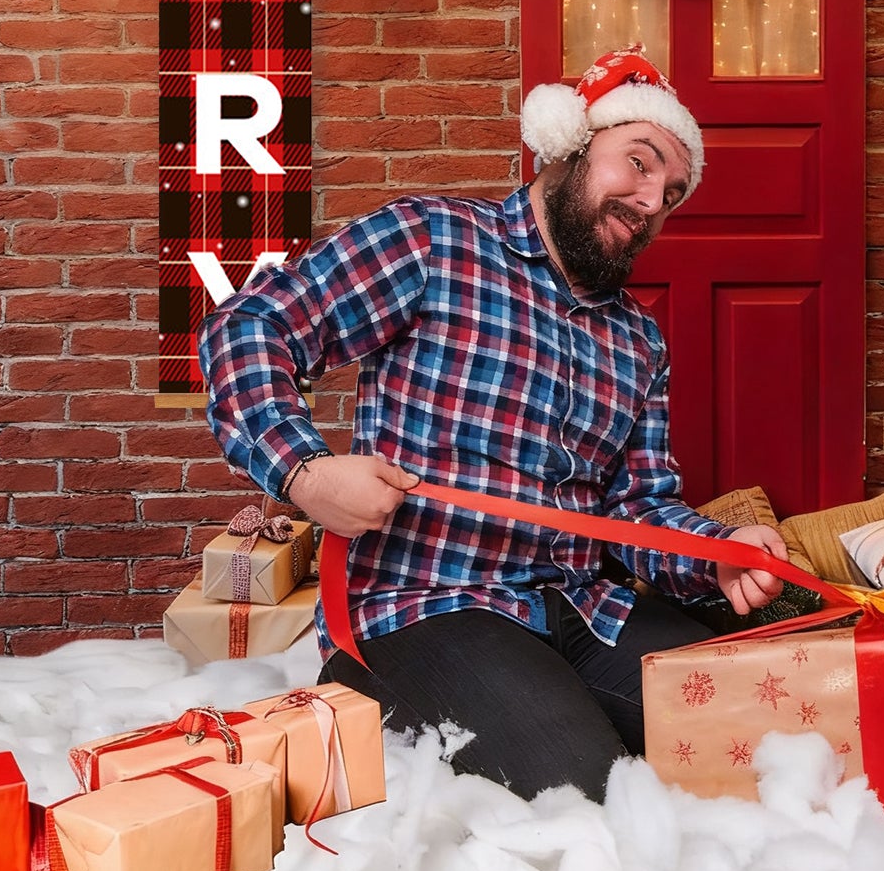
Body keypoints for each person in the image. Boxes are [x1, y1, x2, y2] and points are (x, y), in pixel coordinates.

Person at [200, 45, 786, 802]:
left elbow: (639, 509)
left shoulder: (638, 341)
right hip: (423, 607)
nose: (651, 202)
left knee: (759, 741)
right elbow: (250, 327)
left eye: (671, 193)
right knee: (585, 796)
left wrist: (718, 553)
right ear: (572, 144)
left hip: (579, 607)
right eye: (638, 164)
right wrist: (304, 472)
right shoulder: (431, 241)